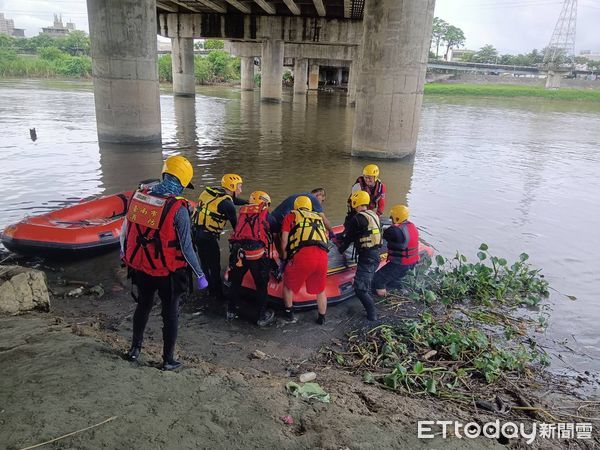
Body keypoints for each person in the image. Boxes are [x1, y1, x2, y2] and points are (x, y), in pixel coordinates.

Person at [121, 155, 208, 371]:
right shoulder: (179, 209)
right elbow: (187, 249)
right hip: (168, 272)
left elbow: (125, 232)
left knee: (143, 306)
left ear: (164, 173)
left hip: (141, 267)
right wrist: (200, 275)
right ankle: (168, 360)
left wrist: (124, 255)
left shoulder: (139, 196)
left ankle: (134, 350)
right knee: (170, 315)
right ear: (183, 181)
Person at [193, 174, 246, 305]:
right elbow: (236, 228)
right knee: (215, 267)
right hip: (208, 237)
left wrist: (249, 203)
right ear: (232, 187)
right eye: (239, 187)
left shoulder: (212, 192)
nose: (241, 190)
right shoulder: (228, 205)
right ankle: (218, 295)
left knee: (205, 263)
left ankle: (208, 288)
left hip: (196, 233)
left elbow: (232, 200)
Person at [227, 190, 276, 327]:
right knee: (261, 286)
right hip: (257, 254)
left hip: (239, 253)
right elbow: (274, 229)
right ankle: (261, 317)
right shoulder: (265, 214)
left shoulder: (243, 212)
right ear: (265, 202)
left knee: (235, 282)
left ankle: (230, 311)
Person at [280, 195, 329, 324]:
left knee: (287, 286)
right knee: (320, 290)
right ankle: (322, 318)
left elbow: (284, 240)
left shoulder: (291, 216)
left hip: (304, 256)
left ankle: (289, 314)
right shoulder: (318, 218)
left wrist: (284, 256)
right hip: (322, 256)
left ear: (295, 206)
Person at [336, 190, 382, 321]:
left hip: (367, 257)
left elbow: (348, 239)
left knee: (360, 289)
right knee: (365, 284)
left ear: (356, 202)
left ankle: (372, 316)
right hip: (374, 255)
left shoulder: (357, 218)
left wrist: (336, 252)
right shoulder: (373, 215)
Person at [373, 205, 420, 296]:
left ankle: (383, 298)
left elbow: (380, 234)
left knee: (378, 279)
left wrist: (373, 230)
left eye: (392, 217)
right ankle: (397, 289)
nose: (391, 218)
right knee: (395, 278)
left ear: (396, 217)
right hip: (413, 262)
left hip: (401, 264)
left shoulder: (394, 231)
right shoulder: (411, 225)